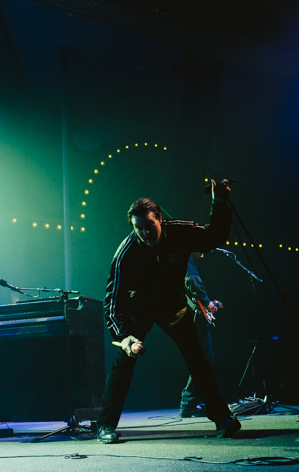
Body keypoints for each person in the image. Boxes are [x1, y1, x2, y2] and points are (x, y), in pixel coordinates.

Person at [97, 182, 241, 443]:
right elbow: (113, 299)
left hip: (174, 309)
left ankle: (223, 418)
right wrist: (124, 336)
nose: (145, 233)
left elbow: (214, 237)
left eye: (149, 225)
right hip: (138, 312)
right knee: (123, 366)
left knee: (198, 362)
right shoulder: (126, 253)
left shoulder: (181, 232)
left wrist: (219, 204)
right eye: (139, 228)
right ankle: (105, 425)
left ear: (160, 219)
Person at [179, 253, 222, 417]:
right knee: (205, 358)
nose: (203, 256)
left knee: (202, 359)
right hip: (192, 316)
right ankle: (188, 401)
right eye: (201, 251)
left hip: (188, 315)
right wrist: (207, 302)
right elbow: (192, 281)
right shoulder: (186, 258)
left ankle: (190, 402)